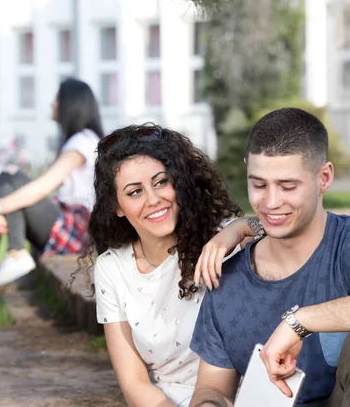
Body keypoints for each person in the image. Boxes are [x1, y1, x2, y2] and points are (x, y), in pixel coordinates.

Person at [189, 107, 350, 407]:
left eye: (288, 186)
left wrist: (299, 321)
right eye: (258, 184)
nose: (270, 202)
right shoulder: (228, 280)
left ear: (324, 177)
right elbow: (213, 389)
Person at [88, 123, 262, 406]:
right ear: (116, 206)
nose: (154, 199)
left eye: (160, 182)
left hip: (246, 395)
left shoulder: (222, 240)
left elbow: (282, 229)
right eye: (135, 192)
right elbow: (134, 383)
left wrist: (239, 228)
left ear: (178, 182)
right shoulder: (112, 268)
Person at [0, 78, 103, 289]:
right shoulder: (80, 140)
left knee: (10, 177)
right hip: (65, 222)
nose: (52, 105)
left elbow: (44, 186)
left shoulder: (82, 142)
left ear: (70, 105)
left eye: (57, 100)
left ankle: (16, 253)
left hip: (75, 231)